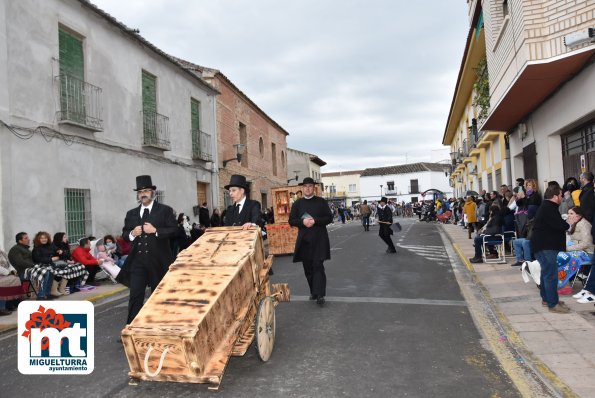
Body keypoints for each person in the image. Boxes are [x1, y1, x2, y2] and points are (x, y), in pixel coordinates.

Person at [118, 175, 178, 324]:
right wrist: (132, 233)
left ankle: (158, 326)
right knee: (135, 295)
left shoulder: (165, 210)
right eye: (140, 192)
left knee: (158, 296)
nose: (142, 194)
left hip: (158, 260)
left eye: (145, 191)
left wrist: (156, 231)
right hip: (138, 262)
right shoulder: (131, 213)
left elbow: (174, 230)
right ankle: (131, 328)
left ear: (152, 192)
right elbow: (124, 234)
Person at [289, 177, 333, 306]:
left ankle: (320, 294)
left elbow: (329, 218)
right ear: (302, 189)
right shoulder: (297, 204)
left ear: (314, 188)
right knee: (308, 268)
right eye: (305, 186)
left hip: (319, 240)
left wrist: (315, 221)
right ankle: (313, 291)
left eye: (310, 186)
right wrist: (302, 222)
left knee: (318, 266)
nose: (308, 188)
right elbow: (291, 220)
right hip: (304, 241)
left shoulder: (321, 202)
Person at [532, 185, 570, 313]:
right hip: (547, 247)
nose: (561, 197)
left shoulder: (547, 207)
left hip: (543, 246)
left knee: (546, 274)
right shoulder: (548, 208)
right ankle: (553, 304)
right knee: (551, 276)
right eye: (560, 195)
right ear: (555, 196)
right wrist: (569, 223)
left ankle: (547, 299)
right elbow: (560, 225)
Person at [8, 232, 52, 299]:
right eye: (26, 238)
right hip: (23, 272)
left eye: (28, 237)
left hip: (30, 269)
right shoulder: (15, 249)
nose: (28, 239)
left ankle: (47, 293)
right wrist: (34, 265)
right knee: (45, 272)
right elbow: (21, 262)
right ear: (20, 241)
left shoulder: (24, 248)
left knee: (50, 270)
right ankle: (41, 296)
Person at [0, 249, 26, 315]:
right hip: (2, 273)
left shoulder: (2, 252)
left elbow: (9, 264)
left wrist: (12, 270)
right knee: (4, 283)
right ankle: (1, 308)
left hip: (4, 273)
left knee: (16, 279)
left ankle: (10, 304)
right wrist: (8, 272)